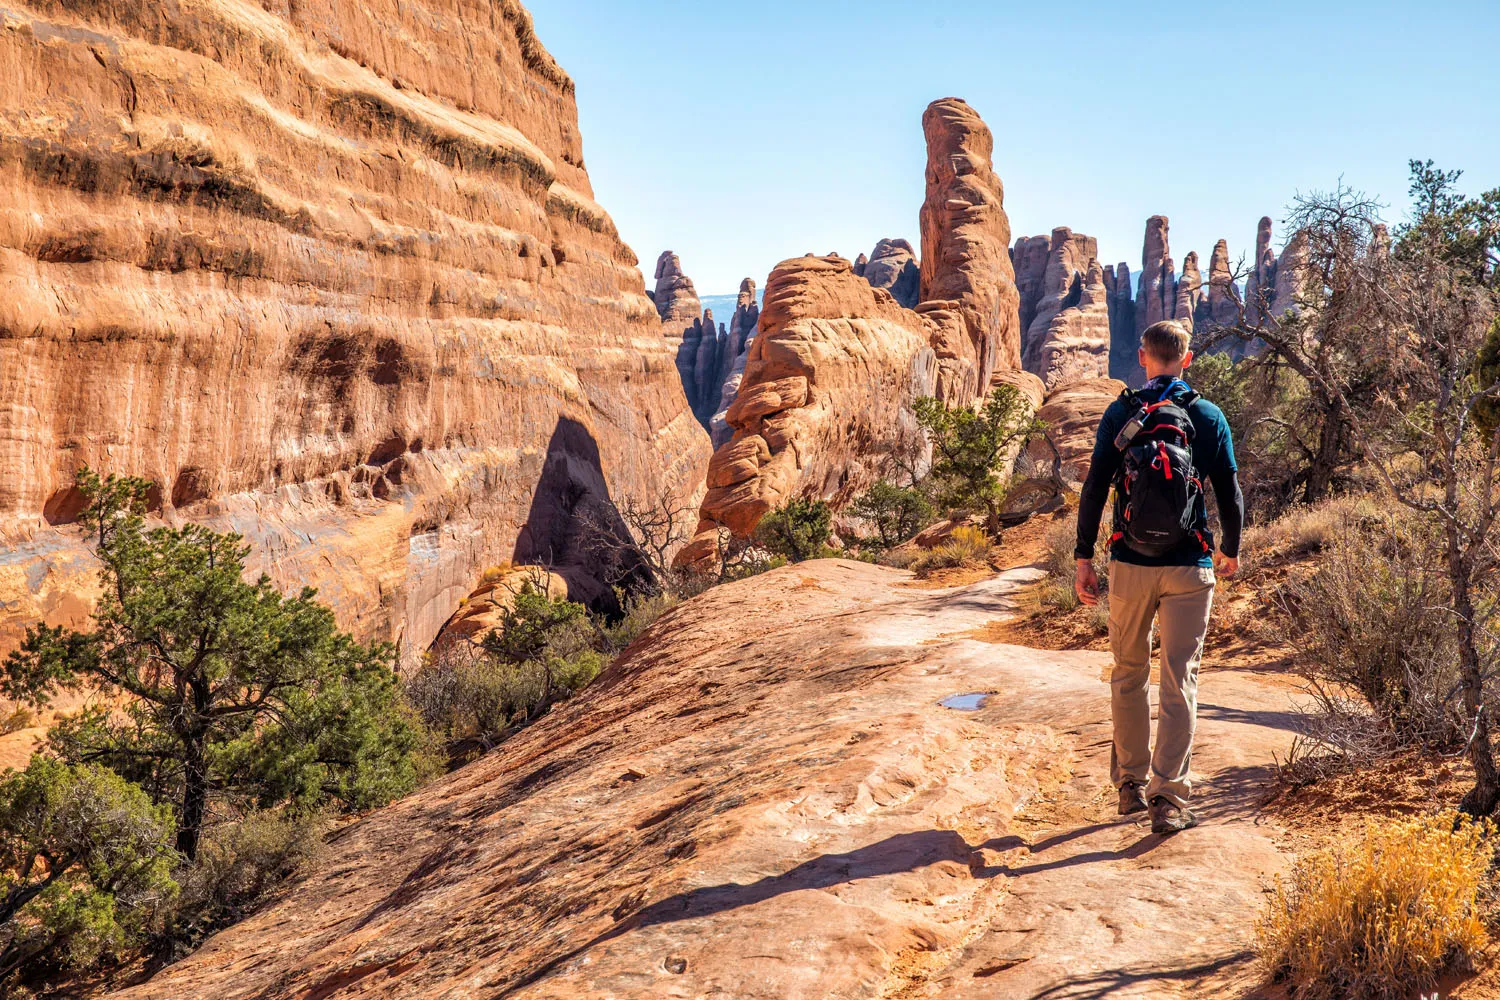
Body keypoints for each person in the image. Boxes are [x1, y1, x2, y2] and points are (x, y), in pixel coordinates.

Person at [1074, 320, 1243, 834]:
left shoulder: (1121, 412)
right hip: (1190, 565)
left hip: (1129, 563)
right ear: (1187, 360)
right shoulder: (1207, 415)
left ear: (1143, 357)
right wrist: (1229, 549)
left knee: (1128, 672)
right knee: (1179, 679)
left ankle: (1129, 784)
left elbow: (1095, 486)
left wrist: (1084, 558)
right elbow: (1229, 492)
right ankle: (1167, 797)